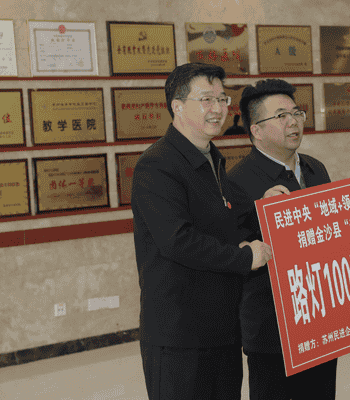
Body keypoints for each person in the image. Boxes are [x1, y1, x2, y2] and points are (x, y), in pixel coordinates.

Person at [131, 63, 272, 400]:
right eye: (207, 99)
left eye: (222, 99)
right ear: (177, 106)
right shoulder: (157, 165)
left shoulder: (212, 159)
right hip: (179, 337)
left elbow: (233, 218)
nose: (218, 109)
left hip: (221, 329)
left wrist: (269, 208)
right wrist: (244, 258)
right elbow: (178, 241)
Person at [229, 79, 338, 400]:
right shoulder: (237, 181)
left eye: (296, 112)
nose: (293, 122)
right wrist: (262, 215)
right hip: (272, 329)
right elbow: (232, 251)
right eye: (281, 116)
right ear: (256, 130)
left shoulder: (316, 170)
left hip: (319, 318)